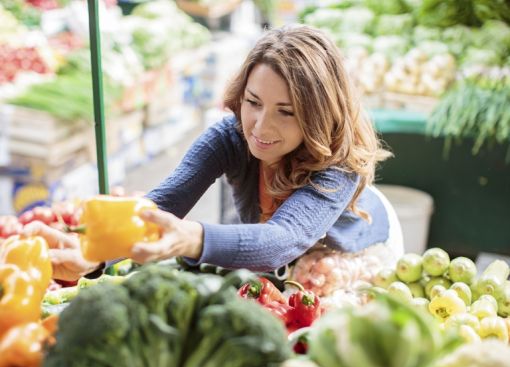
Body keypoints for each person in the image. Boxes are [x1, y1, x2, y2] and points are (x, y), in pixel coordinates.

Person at [24, 25, 404, 296]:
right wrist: (92, 255)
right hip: (284, 257)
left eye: (286, 112)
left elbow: (281, 239)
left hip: (355, 251)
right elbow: (160, 206)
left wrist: (191, 237)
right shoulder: (231, 135)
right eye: (253, 102)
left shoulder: (339, 165)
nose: (261, 126)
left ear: (319, 115)